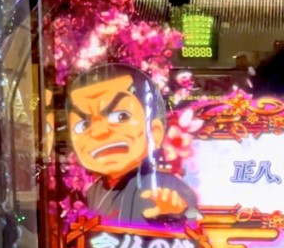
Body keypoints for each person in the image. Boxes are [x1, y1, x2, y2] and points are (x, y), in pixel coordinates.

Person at [66, 63, 198, 223]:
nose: (99, 132)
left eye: (121, 116)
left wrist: (177, 213)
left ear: (154, 132)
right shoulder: (94, 192)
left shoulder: (167, 187)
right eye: (83, 125)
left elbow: (194, 219)